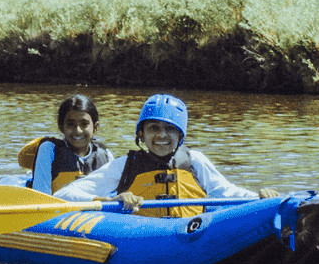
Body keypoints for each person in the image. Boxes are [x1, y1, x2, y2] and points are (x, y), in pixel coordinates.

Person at [54, 93, 273, 217]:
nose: (162, 135)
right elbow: (65, 195)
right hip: (141, 236)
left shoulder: (195, 160)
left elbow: (225, 192)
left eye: (169, 129)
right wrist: (111, 199)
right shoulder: (125, 165)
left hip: (191, 231)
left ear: (180, 135)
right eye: (154, 128)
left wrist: (259, 198)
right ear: (142, 133)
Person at [15, 93, 112, 194]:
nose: (78, 131)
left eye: (84, 124)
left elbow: (114, 192)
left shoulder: (106, 155)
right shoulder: (49, 150)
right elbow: (41, 194)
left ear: (95, 126)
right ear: (61, 126)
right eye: (70, 124)